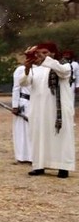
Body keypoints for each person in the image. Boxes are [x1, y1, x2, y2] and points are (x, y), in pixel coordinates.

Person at [20, 42, 75, 178]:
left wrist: (44, 60)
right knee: (39, 136)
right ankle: (39, 165)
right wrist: (27, 69)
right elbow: (24, 83)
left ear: (53, 53)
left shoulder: (63, 65)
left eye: (45, 53)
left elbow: (63, 72)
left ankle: (63, 167)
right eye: (40, 53)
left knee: (60, 137)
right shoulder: (36, 68)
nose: (41, 56)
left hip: (58, 111)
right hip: (39, 110)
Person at [11, 48, 34, 163]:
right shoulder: (20, 69)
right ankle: (22, 156)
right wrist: (15, 105)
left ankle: (34, 156)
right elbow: (16, 88)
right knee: (22, 131)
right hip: (24, 102)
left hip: (38, 103)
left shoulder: (43, 69)